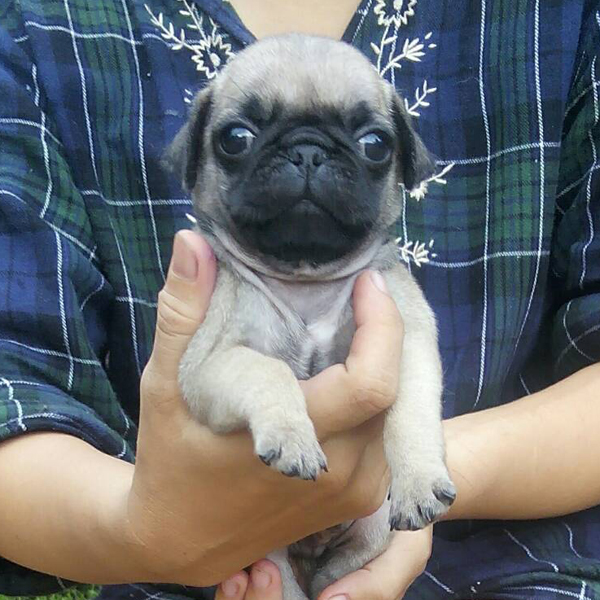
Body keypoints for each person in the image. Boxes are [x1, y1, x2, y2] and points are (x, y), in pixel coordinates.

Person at [0, 1, 598, 599]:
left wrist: (414, 467)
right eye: (240, 140)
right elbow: (205, 374)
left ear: (405, 166)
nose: (307, 160)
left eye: (369, 143)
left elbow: (414, 365)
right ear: (193, 160)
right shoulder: (37, 29)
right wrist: (145, 526)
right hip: (229, 553)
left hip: (483, 557)